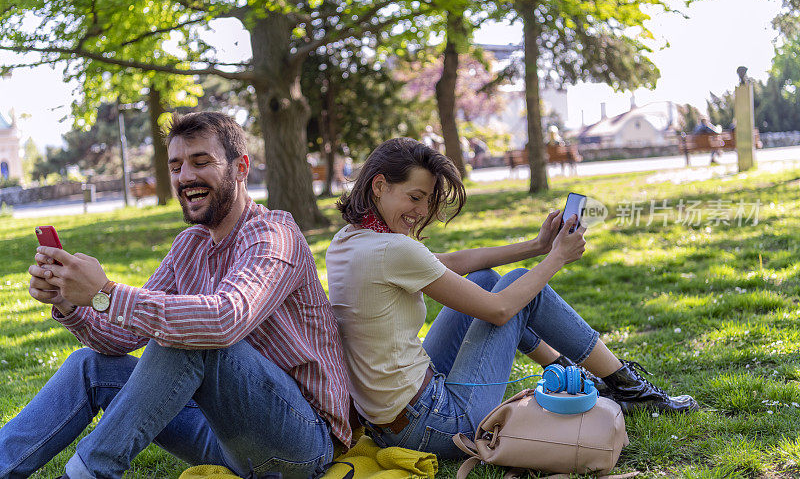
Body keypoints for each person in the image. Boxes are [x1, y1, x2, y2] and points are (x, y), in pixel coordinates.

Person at [2, 112, 351, 479]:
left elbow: (222, 321)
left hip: (302, 443)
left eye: (201, 162)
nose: (185, 177)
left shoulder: (274, 236)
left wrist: (106, 292)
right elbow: (119, 339)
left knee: (192, 336)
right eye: (176, 166)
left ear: (241, 168)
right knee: (88, 366)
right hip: (223, 436)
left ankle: (88, 473)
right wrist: (70, 301)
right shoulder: (190, 245)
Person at [325, 137, 697, 458]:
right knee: (517, 291)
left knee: (486, 279)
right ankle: (629, 387)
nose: (422, 212)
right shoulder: (390, 250)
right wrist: (556, 258)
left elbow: (454, 262)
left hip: (390, 420)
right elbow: (500, 310)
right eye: (416, 197)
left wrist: (536, 245)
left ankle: (576, 374)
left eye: (427, 201)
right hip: (435, 425)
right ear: (379, 186)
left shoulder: (351, 240)